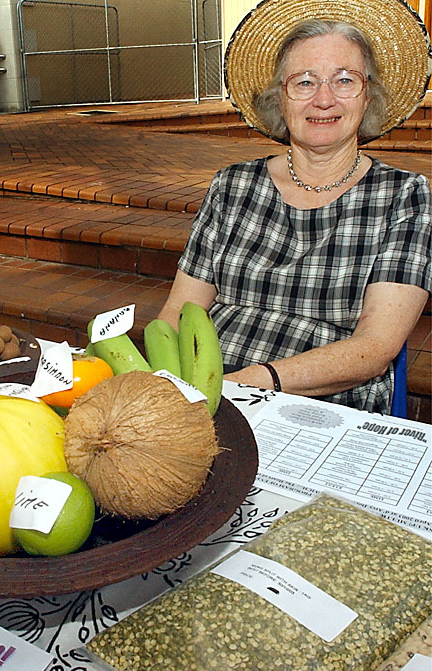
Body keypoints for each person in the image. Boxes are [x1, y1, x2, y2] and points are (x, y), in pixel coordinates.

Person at [156, 0, 431, 414]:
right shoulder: (232, 185)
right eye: (304, 82)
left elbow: (375, 348)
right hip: (208, 390)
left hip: (325, 403)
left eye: (344, 80)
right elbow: (177, 313)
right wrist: (171, 387)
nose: (324, 99)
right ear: (279, 99)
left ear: (368, 94)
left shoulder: (404, 196)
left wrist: (248, 384)